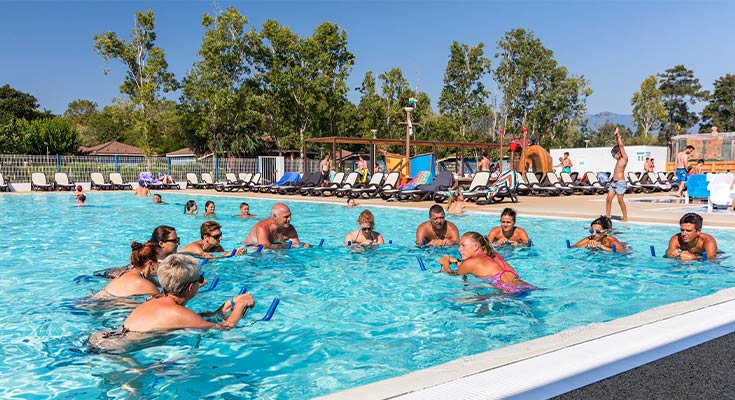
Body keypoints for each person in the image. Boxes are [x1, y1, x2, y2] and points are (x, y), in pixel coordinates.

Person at [103, 254, 255, 335]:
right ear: (190, 287)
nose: (201, 282)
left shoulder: (156, 299)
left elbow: (193, 319)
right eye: (199, 279)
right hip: (115, 351)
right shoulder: (178, 312)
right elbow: (225, 327)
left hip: (106, 340)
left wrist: (224, 307)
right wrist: (240, 306)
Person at [439, 231, 533, 294]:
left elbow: (454, 274)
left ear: (476, 246)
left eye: (463, 245)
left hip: (509, 293)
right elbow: (477, 268)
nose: (459, 249)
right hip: (526, 287)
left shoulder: (470, 263)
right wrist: (456, 261)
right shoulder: (493, 254)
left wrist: (445, 264)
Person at [94, 225, 181, 279]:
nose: (178, 243)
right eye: (175, 240)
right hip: (113, 276)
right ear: (161, 243)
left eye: (178, 239)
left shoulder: (160, 255)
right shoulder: (153, 255)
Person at [91, 242, 162, 299]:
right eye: (164, 262)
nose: (167, 265)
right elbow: (162, 304)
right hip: (94, 308)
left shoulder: (132, 273)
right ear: (151, 264)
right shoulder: (143, 284)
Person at [242, 203, 311, 249]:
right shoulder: (263, 227)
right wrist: (286, 246)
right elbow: (265, 247)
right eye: (286, 217)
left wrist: (304, 245)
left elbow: (296, 245)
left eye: (290, 216)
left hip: (273, 247)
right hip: (250, 248)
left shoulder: (290, 228)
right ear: (275, 217)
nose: (289, 219)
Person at [179, 221, 246, 258]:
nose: (220, 238)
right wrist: (230, 253)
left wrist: (237, 252)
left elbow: (224, 254)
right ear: (205, 237)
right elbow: (207, 256)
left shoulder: (217, 247)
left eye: (220, 235)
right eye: (216, 236)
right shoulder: (195, 247)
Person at [605, 127, 629, 222]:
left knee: (620, 200)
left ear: (619, 153)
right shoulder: (618, 161)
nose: (614, 157)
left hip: (620, 183)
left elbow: (621, 146)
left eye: (614, 155)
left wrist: (617, 136)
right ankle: (607, 216)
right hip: (613, 183)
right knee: (608, 199)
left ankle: (625, 216)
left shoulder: (624, 158)